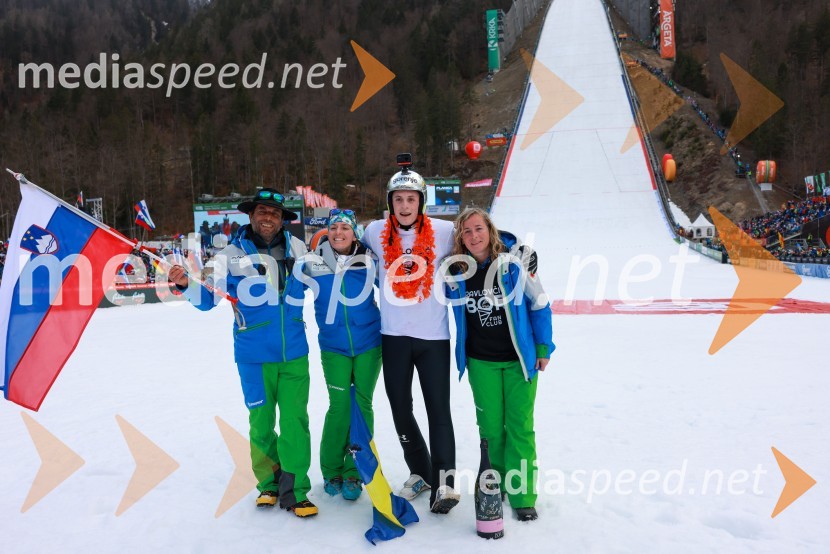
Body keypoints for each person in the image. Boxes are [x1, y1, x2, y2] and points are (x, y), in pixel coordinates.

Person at [168, 188, 317, 517]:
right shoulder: (228, 255)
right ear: (251, 215)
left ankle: (297, 490)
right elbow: (207, 299)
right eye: (262, 211)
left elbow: (327, 282)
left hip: (294, 353)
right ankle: (269, 484)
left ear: (282, 220)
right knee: (261, 424)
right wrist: (185, 285)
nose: (268, 218)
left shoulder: (299, 248)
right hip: (253, 355)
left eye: (275, 213)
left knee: (295, 422)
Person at [361, 157, 460, 514]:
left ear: (421, 202)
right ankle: (420, 471)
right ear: (390, 202)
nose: (405, 206)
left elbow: (484, 236)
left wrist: (519, 250)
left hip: (433, 338)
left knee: (438, 410)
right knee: (400, 409)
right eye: (399, 199)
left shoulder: (445, 231)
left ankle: (445, 482)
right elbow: (341, 242)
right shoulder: (375, 231)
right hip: (393, 337)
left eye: (411, 199)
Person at [444, 208, 554, 522]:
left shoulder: (514, 262)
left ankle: (523, 495)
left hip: (519, 360)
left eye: (478, 228)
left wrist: (543, 347)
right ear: (460, 238)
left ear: (490, 230)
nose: (474, 236)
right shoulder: (455, 270)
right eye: (466, 231)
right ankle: (498, 484)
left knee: (520, 427)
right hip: (481, 362)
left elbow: (539, 303)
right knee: (490, 429)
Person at [300, 208, 382, 502]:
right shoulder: (313, 262)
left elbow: (394, 287)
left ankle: (354, 470)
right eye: (334, 228)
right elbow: (286, 288)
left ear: (354, 233)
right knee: (339, 406)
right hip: (334, 346)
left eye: (345, 228)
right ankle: (332, 468)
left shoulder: (369, 260)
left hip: (369, 343)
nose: (338, 233)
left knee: (362, 404)